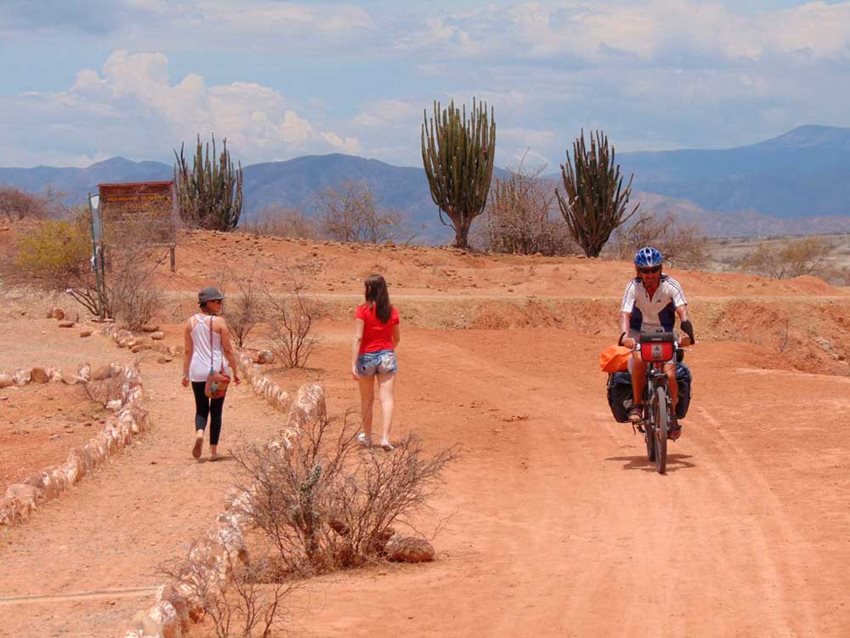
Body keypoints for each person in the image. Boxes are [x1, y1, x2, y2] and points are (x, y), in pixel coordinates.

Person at [619, 247, 695, 440]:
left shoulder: (671, 285)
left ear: (660, 269)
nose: (650, 274)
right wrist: (625, 336)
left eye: (654, 270)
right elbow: (625, 314)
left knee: (670, 374)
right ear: (638, 271)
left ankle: (672, 414)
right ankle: (637, 405)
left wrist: (687, 333)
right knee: (638, 359)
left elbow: (682, 311)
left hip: (665, 333)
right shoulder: (632, 287)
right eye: (645, 271)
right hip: (638, 333)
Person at [182, 286, 241, 460]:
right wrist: (235, 371)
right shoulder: (220, 322)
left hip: (197, 371)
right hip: (217, 371)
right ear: (207, 303)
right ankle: (213, 452)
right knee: (216, 410)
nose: (220, 304)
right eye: (217, 301)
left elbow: (187, 351)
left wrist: (185, 374)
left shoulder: (190, 322)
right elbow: (228, 349)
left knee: (201, 408)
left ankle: (199, 433)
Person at [351, 274, 400, 451]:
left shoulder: (362, 310)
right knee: (387, 399)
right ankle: (385, 438)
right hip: (387, 355)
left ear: (369, 290)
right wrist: (387, 350)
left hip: (366, 357)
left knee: (367, 399)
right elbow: (397, 338)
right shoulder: (392, 311)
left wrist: (353, 362)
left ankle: (368, 438)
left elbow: (358, 337)